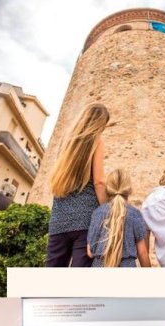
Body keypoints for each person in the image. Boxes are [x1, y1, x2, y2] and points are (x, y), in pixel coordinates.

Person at [46, 103, 109, 267]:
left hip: (59, 220)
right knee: (79, 282)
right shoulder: (97, 141)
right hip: (86, 221)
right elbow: (99, 182)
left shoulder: (65, 142)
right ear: (99, 124)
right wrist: (107, 210)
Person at [86, 169, 150, 267]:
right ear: (129, 190)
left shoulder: (97, 213)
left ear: (107, 189)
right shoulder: (135, 214)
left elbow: (90, 252)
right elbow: (142, 253)